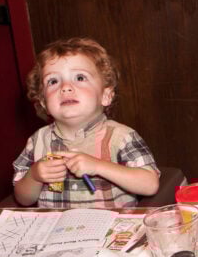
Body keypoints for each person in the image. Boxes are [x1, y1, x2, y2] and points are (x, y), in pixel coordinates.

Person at [13, 38, 161, 208]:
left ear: (105, 95)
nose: (66, 87)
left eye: (80, 78)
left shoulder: (121, 137)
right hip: (57, 231)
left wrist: (98, 166)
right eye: (53, 81)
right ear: (43, 102)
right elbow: (23, 199)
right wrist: (34, 176)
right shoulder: (37, 141)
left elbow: (150, 185)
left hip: (112, 231)